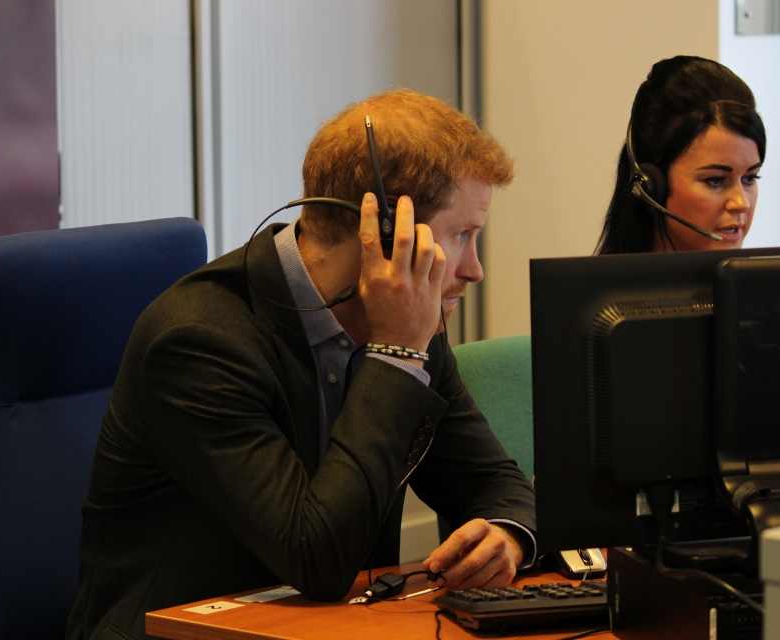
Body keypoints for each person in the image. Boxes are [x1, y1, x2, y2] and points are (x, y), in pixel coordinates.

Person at [65, 89, 536, 639]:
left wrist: (507, 535)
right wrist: (395, 354)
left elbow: (496, 481)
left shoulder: (409, 331)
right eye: (462, 236)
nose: (475, 269)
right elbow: (319, 560)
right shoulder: (199, 342)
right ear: (385, 237)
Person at [595, 55, 766, 254]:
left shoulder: (762, 284)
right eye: (715, 180)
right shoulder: (600, 285)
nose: (742, 203)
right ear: (651, 188)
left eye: (750, 178)